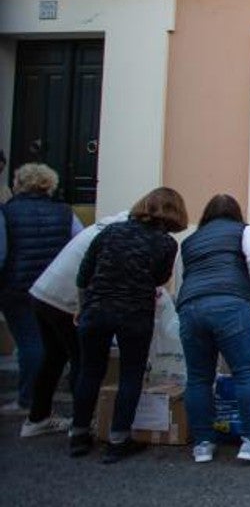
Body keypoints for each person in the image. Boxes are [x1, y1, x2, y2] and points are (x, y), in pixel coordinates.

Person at [71, 187, 185, 463]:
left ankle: (79, 434)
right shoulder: (166, 243)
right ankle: (118, 439)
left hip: (97, 309)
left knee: (90, 371)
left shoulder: (110, 231)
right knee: (131, 374)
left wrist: (83, 306)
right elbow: (160, 278)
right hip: (134, 313)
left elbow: (84, 274)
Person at [176, 194, 250, 464]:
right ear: (236, 213)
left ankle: (202, 443)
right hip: (230, 303)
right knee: (246, 372)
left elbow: (180, 277)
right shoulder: (243, 230)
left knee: (198, 377)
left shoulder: (190, 240)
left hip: (190, 307)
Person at [21, 210, 128, 438]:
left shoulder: (106, 225)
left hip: (43, 292)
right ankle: (83, 423)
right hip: (66, 301)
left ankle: (37, 418)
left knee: (54, 357)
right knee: (83, 360)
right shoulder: (123, 234)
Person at [0, 163, 80, 418]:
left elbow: (1, 253)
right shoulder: (64, 212)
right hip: (55, 289)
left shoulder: (7, 213)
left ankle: (28, 400)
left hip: (18, 287)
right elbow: (78, 243)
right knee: (53, 344)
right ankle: (41, 402)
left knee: (29, 343)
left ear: (19, 183)